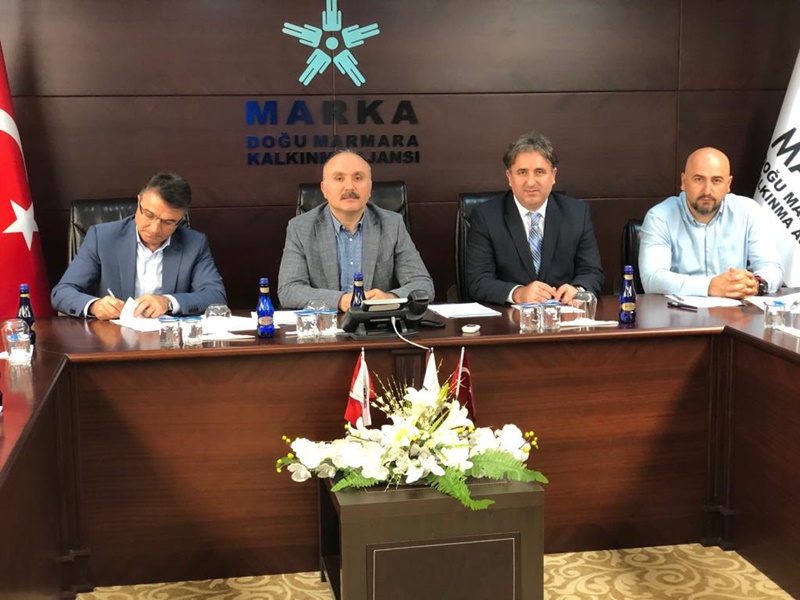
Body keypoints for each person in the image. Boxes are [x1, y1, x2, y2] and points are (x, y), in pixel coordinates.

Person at [51, 172, 227, 319]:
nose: (154, 228)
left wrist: (168, 302)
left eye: (168, 222)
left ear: (180, 219)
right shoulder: (102, 238)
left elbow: (216, 295)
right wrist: (94, 306)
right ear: (139, 202)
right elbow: (62, 292)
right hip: (113, 339)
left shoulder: (194, 243)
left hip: (167, 340)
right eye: (149, 215)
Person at [277, 149, 435, 311]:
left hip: (376, 322)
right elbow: (289, 290)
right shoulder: (300, 228)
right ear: (324, 189)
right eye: (339, 178)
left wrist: (390, 298)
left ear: (370, 187)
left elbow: (423, 285)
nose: (349, 187)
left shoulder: (392, 225)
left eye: (358, 178)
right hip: (325, 323)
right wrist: (340, 300)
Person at [466, 132, 604, 305]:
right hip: (509, 318)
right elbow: (478, 281)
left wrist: (578, 290)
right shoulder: (486, 217)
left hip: (563, 315)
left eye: (539, 172)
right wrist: (518, 293)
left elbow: (592, 272)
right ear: (509, 177)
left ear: (553, 176)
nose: (531, 182)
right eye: (522, 172)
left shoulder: (577, 213)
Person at [639, 147, 783, 298]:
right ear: (684, 181)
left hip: (735, 310)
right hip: (678, 310)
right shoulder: (660, 217)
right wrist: (709, 286)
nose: (707, 191)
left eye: (716, 180)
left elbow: (772, 267)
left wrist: (756, 284)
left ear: (728, 184)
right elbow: (652, 278)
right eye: (698, 179)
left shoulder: (748, 211)